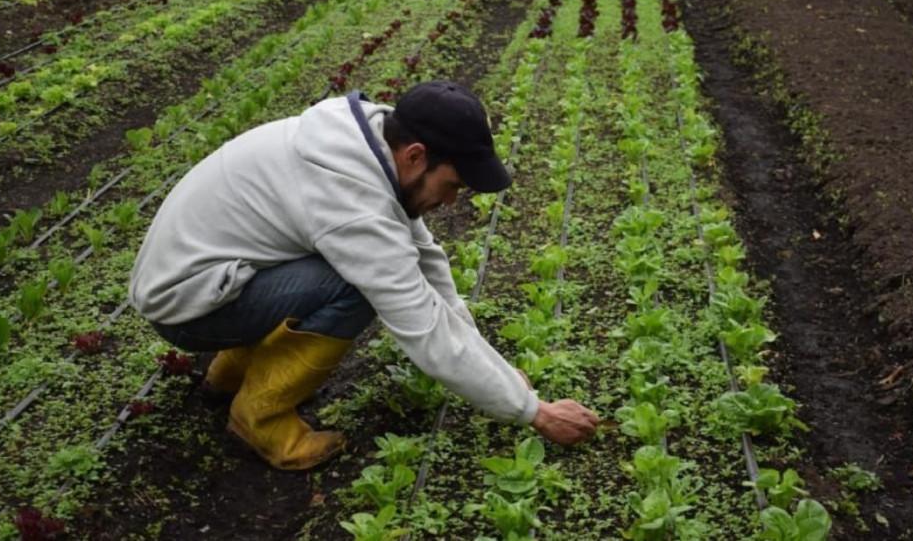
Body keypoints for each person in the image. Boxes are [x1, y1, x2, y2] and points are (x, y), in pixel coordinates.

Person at [128, 81, 599, 470]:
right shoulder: (350, 206)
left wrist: (494, 366)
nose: (452, 201)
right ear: (416, 155)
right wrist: (533, 413)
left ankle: (230, 374)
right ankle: (260, 419)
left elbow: (426, 258)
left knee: (346, 268)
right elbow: (423, 327)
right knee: (352, 284)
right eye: (452, 184)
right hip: (186, 306)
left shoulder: (363, 144)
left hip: (205, 274)